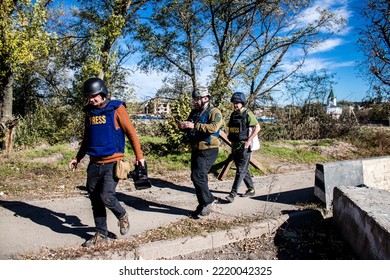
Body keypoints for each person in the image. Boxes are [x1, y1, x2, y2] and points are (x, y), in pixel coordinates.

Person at [69, 77, 145, 247]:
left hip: (114, 161)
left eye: (94, 96)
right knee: (95, 198)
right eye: (88, 97)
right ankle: (101, 233)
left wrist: (139, 156)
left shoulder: (116, 108)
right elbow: (87, 138)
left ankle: (122, 215)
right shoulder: (89, 112)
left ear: (102, 93)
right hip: (94, 162)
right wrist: (77, 158)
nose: (91, 100)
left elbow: (131, 133)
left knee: (107, 196)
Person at [178, 86, 224, 218]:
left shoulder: (214, 112)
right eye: (195, 99)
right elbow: (190, 126)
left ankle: (208, 200)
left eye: (197, 99)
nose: (195, 101)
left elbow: (214, 127)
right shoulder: (194, 112)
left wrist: (194, 126)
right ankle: (203, 203)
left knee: (198, 175)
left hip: (209, 149)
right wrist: (183, 126)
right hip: (196, 148)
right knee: (195, 176)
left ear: (206, 98)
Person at [226, 92, 260, 203]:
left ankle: (232, 194)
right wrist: (230, 136)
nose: (235, 105)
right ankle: (251, 189)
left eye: (237, 103)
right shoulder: (233, 114)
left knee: (240, 170)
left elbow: (257, 128)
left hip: (245, 146)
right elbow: (231, 128)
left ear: (242, 103)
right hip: (235, 146)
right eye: (234, 103)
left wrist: (249, 140)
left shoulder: (248, 114)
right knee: (243, 169)